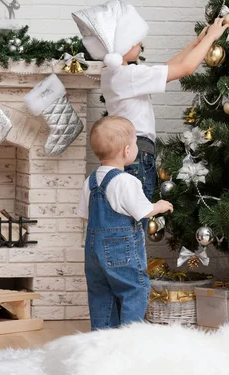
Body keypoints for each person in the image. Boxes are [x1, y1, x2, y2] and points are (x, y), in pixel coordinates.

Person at [72, 0, 229, 231]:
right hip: (137, 151)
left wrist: (195, 44)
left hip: (132, 149)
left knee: (130, 214)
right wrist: (210, 38)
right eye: (136, 40)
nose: (141, 44)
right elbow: (185, 69)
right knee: (137, 217)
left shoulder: (114, 73)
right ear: (122, 45)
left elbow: (168, 67)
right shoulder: (129, 77)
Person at [77, 116, 173, 330]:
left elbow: (85, 216)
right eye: (135, 145)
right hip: (119, 249)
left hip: (93, 250)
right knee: (134, 288)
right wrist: (159, 205)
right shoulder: (127, 181)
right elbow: (143, 211)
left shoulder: (91, 181)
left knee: (101, 292)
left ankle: (101, 338)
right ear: (126, 150)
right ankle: (129, 338)